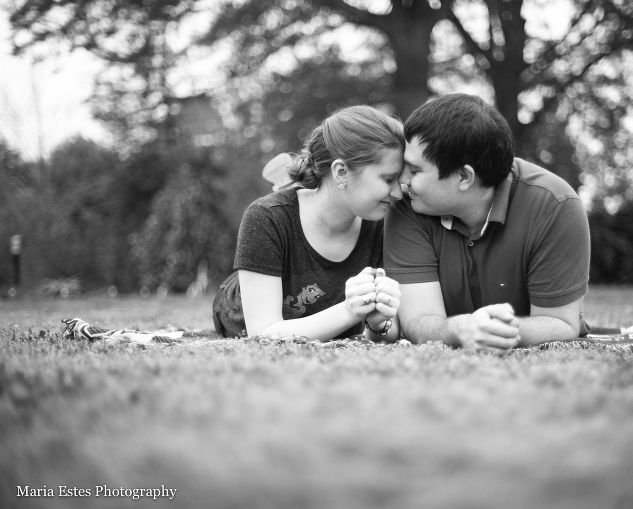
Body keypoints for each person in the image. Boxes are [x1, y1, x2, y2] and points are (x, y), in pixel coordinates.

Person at [384, 94, 590, 353]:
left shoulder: (555, 206)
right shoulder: (408, 205)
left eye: (414, 171)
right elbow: (416, 321)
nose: (402, 179)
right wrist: (461, 329)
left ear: (464, 177)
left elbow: (562, 323)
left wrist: (492, 331)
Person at [213, 105, 405, 342]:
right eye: (388, 179)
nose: (397, 192)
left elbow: (387, 330)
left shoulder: (384, 224)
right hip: (245, 309)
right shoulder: (266, 217)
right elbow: (261, 333)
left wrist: (378, 323)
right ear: (342, 171)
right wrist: (349, 310)